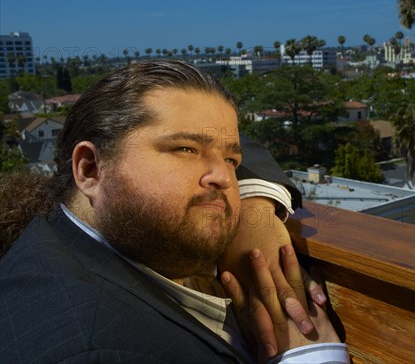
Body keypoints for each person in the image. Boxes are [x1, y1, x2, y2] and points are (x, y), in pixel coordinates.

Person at [0, 60, 349, 363]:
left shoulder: (55, 235)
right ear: (90, 168)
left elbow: (248, 147)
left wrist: (254, 209)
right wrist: (314, 358)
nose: (224, 178)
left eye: (231, 160)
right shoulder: (106, 349)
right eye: (185, 149)